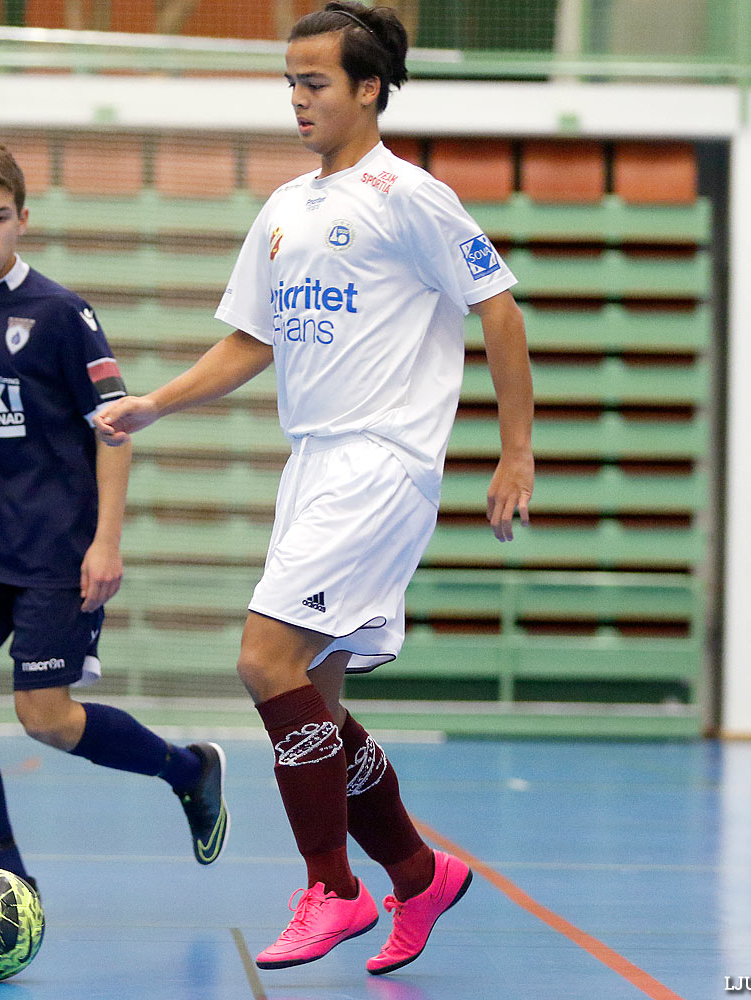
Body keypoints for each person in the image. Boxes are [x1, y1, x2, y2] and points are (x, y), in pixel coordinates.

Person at [94, 2, 534, 976]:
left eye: (316, 82)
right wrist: (155, 402)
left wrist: (515, 454)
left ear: (369, 89)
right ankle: (419, 875)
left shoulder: (408, 197)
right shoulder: (286, 209)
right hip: (314, 466)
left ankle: (333, 887)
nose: (297, 99)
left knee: (262, 659)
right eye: (289, 81)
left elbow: (498, 311)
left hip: (381, 463)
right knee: (317, 713)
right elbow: (252, 339)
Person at [0, 143, 228, 891]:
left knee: (44, 715)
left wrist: (106, 542)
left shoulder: (61, 313)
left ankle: (187, 770)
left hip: (56, 550)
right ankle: (9, 879)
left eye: (1, 218)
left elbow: (115, 428)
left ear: (22, 222)